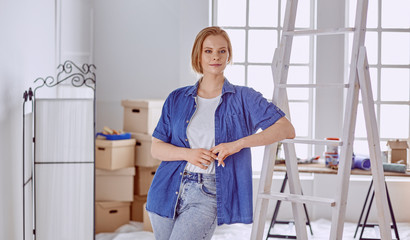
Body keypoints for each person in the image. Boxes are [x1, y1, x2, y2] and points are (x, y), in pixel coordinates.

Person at [146, 26, 295, 240]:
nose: (215, 56)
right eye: (208, 51)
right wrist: (188, 154)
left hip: (209, 191)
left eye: (222, 51)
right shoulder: (176, 98)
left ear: (228, 55)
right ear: (198, 55)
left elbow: (286, 129)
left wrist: (238, 144)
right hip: (166, 188)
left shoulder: (245, 97)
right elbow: (156, 148)